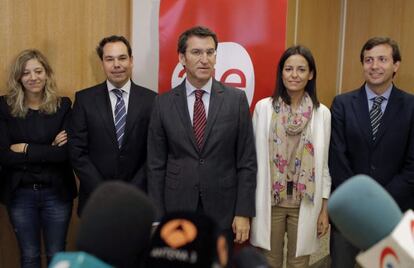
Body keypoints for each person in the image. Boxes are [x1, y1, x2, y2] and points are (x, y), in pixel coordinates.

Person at [147, 26, 257, 245]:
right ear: (182, 58)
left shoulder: (236, 100)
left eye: (210, 52)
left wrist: (243, 212)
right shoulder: (163, 103)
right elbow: (155, 165)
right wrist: (158, 217)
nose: (204, 59)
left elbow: (247, 161)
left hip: (223, 209)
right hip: (177, 208)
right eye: (196, 52)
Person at [329, 37, 414, 267]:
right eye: (368, 60)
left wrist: (379, 205)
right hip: (349, 217)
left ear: (396, 65)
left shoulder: (411, 106)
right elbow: (337, 158)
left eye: (382, 59)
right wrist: (359, 204)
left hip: (393, 215)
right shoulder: (342, 104)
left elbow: (412, 166)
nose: (374, 66)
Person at [250, 46, 331, 268]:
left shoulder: (321, 113)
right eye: (288, 69)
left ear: (311, 74)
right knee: (269, 262)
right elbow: (253, 161)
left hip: (304, 201)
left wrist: (324, 209)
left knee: (299, 263)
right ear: (281, 73)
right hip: (270, 201)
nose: (294, 75)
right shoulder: (264, 109)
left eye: (301, 69)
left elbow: (323, 166)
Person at [0, 49, 77, 268]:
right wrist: (48, 149)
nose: (33, 78)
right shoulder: (4, 106)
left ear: (47, 73)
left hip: (57, 193)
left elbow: (64, 155)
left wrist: (24, 148)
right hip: (20, 194)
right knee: (30, 256)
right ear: (18, 78)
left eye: (38, 71)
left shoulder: (63, 106)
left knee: (57, 255)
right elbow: (4, 156)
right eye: (26, 73)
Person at [69, 35, 157, 215]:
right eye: (110, 59)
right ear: (102, 63)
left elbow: (154, 152)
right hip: (96, 200)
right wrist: (104, 192)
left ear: (131, 61)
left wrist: (131, 192)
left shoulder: (152, 100)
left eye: (122, 58)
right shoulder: (84, 100)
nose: (117, 65)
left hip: (138, 200)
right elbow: (77, 152)